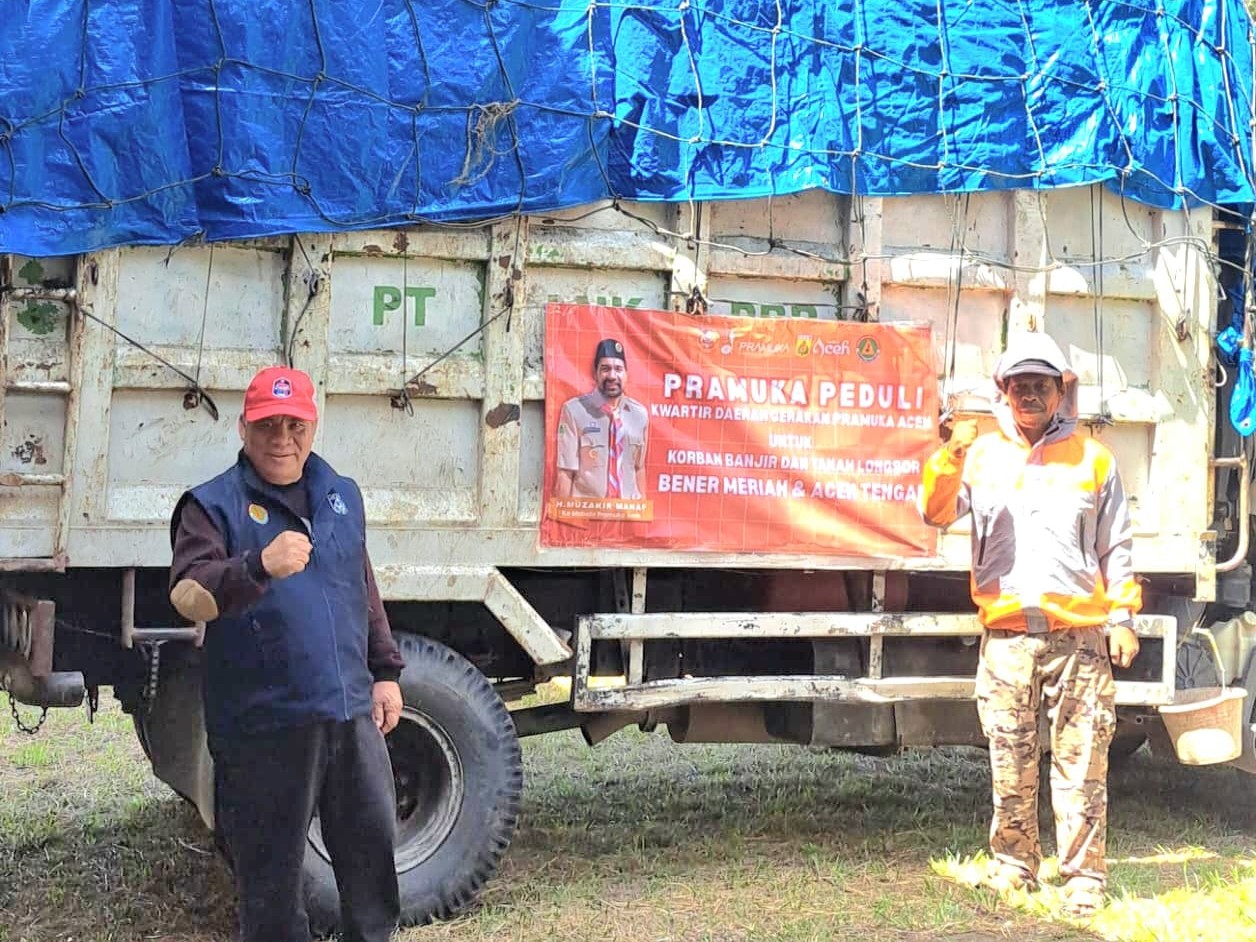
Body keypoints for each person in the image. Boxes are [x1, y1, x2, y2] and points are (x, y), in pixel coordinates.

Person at [167, 366, 405, 942]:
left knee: (372, 868)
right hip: (265, 726)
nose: (282, 438)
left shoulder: (340, 495)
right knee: (270, 888)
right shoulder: (211, 505)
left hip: (350, 715)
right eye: (268, 425)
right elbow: (188, 594)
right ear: (243, 429)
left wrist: (385, 671)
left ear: (312, 426)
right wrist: (257, 566)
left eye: (294, 425)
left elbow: (360, 584)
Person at [918, 333, 1142, 917]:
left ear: (1061, 392)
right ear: (1004, 391)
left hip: (1079, 640)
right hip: (1007, 640)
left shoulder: (1093, 458)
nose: (1030, 395)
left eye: (1041, 385)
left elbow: (1116, 544)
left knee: (1082, 761)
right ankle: (1015, 866)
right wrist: (949, 454)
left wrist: (1123, 617)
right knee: (1010, 759)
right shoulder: (980, 455)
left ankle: (1083, 877)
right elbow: (934, 513)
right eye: (1020, 385)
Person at [554, 337, 649, 499]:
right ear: (595, 374)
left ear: (626, 374)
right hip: (589, 510)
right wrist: (563, 513)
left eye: (618, 369)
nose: (612, 376)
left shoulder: (639, 415)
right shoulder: (574, 411)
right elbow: (565, 473)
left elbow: (639, 468)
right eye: (605, 369)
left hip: (628, 511)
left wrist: (642, 510)